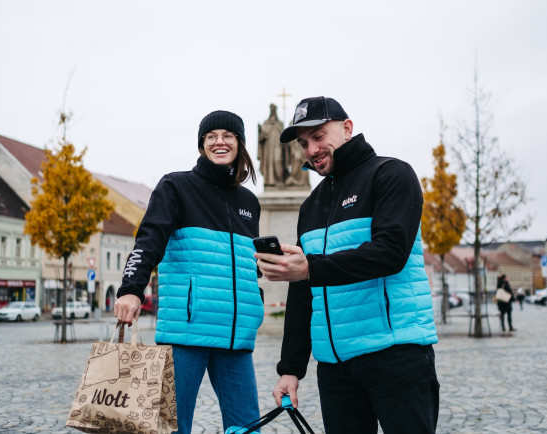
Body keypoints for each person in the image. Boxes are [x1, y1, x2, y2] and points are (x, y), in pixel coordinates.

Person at [256, 96, 440, 434]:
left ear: (347, 128)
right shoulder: (311, 204)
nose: (311, 149)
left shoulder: (391, 174)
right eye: (303, 143)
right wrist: (290, 369)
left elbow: (390, 253)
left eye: (319, 136)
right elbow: (303, 291)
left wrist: (310, 268)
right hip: (335, 367)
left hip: (395, 355)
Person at [114, 110, 264, 434]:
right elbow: (149, 239)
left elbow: (244, 264)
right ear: (201, 146)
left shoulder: (249, 202)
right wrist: (131, 288)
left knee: (247, 428)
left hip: (236, 337)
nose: (219, 142)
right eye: (211, 136)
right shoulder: (176, 186)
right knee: (172, 427)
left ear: (240, 144)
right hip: (186, 333)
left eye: (228, 135)